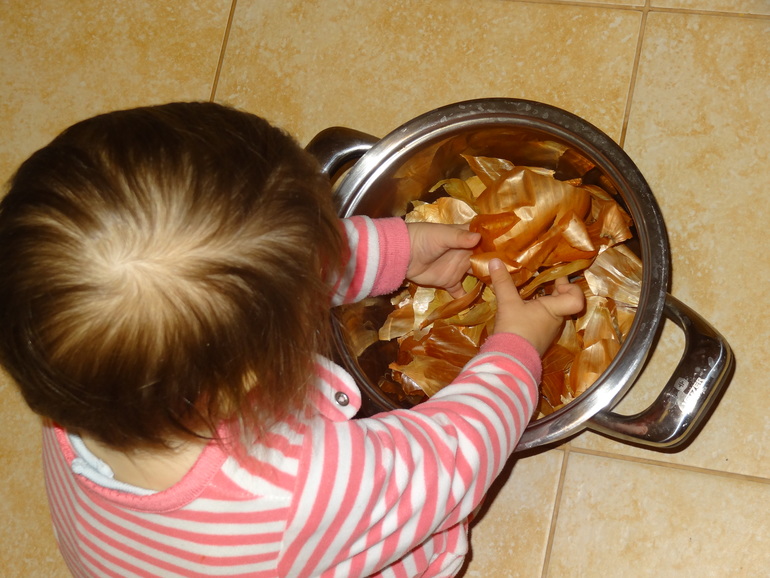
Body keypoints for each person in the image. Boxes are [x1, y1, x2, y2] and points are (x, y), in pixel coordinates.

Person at [0, 102, 585, 577]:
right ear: (260, 368)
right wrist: (515, 350)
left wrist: (396, 250)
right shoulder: (297, 489)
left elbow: (252, 271)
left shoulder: (89, 381)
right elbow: (452, 462)